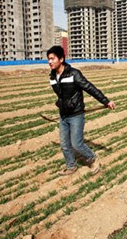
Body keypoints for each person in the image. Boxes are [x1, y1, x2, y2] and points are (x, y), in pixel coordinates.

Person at [46, 46, 116, 176]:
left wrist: (106, 101)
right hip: (63, 115)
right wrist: (61, 104)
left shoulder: (74, 74)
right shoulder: (52, 77)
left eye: (52, 58)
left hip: (76, 114)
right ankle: (71, 166)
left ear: (61, 59)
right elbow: (62, 95)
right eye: (48, 59)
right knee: (65, 144)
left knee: (77, 144)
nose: (50, 62)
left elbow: (90, 88)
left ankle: (93, 158)